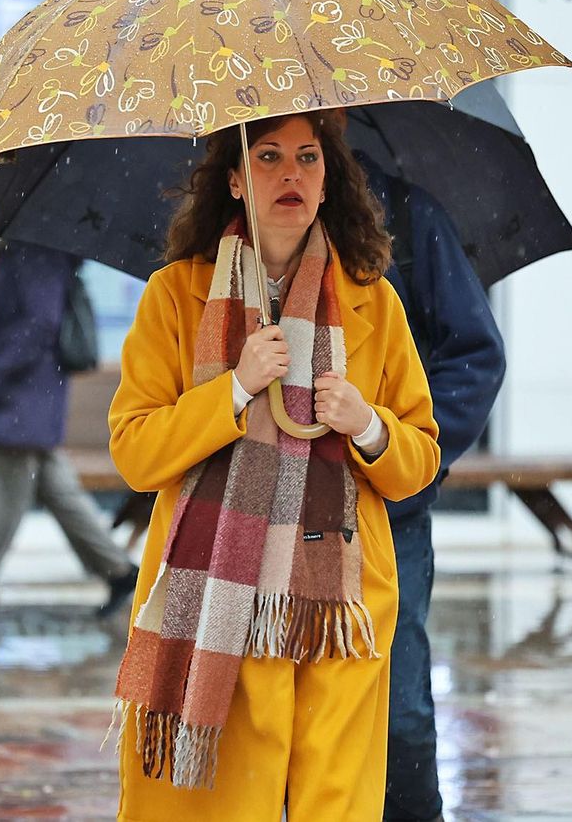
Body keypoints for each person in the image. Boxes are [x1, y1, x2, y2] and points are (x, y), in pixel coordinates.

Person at [109, 111, 440, 819]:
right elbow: (136, 452)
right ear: (233, 178)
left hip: (340, 605)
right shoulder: (174, 295)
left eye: (308, 157)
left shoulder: (373, 301)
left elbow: (419, 460)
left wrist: (368, 425)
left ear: (328, 180)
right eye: (267, 156)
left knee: (336, 805)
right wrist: (232, 386)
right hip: (220, 597)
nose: (290, 173)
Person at [354, 146, 506, 821]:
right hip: (275, 514)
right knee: (284, 717)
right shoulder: (240, 231)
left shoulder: (407, 218)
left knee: (398, 709)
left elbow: (474, 355)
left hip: (390, 512)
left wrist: (407, 449)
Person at [0, 146, 140, 621]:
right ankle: (117, 570)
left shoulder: (30, 244)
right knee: (53, 487)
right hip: (32, 388)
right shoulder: (19, 241)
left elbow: (37, 323)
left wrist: (0, 378)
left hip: (22, 388)